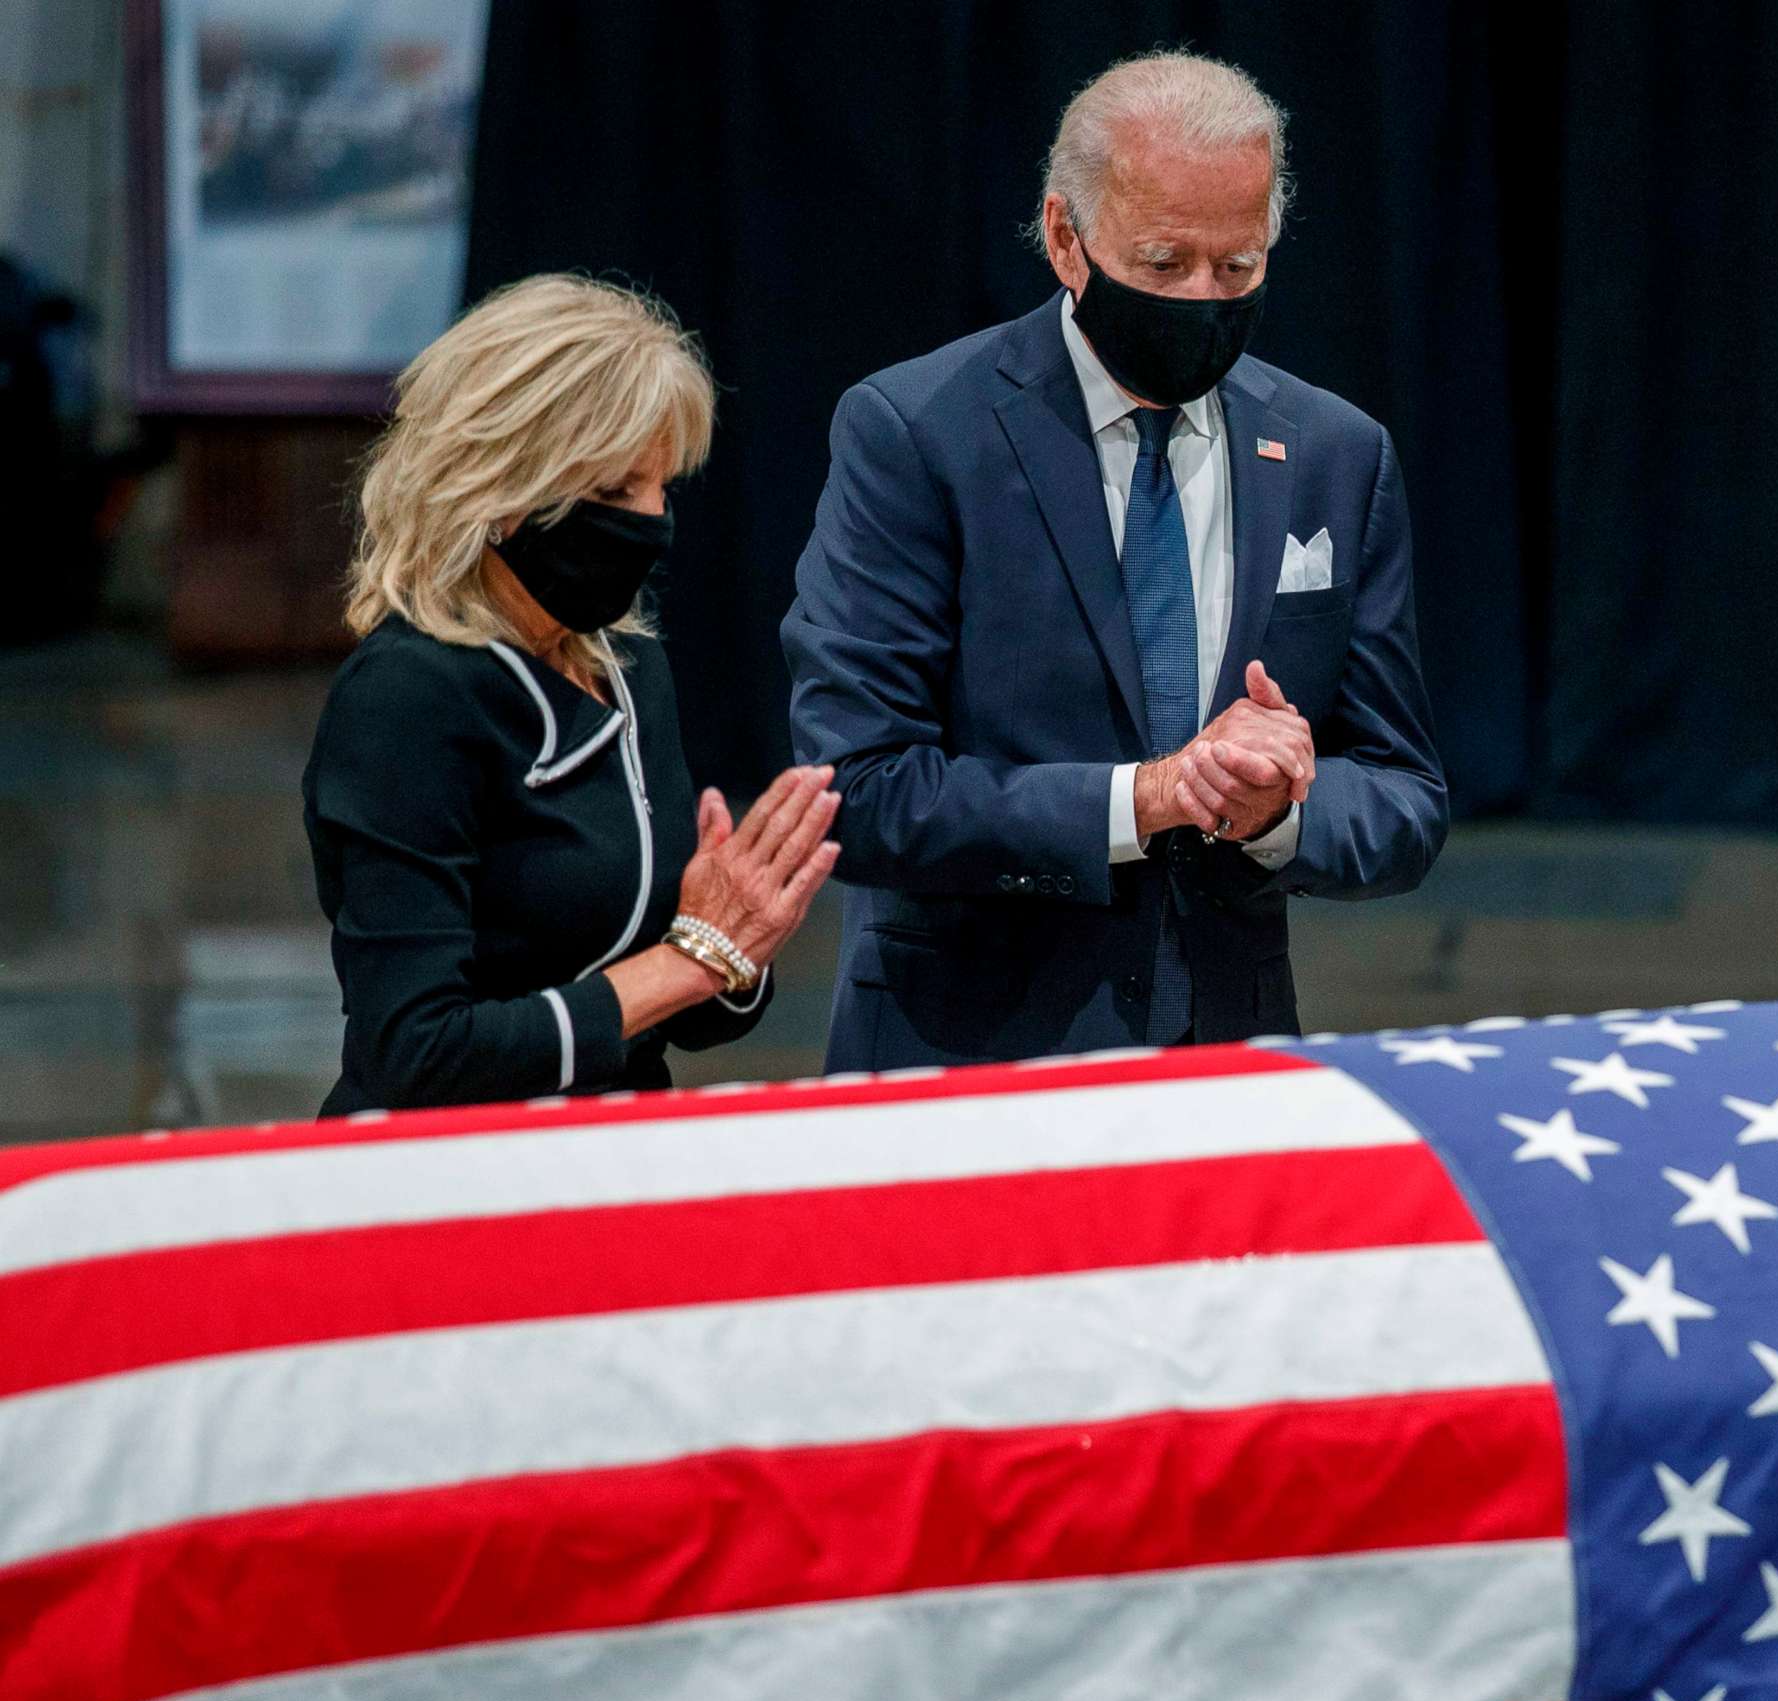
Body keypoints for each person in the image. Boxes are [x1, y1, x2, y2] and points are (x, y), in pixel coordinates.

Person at [784, 52, 1448, 1070]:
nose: (1202, 297)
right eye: (1163, 263)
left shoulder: (1333, 453)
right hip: (964, 1065)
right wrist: (1143, 800)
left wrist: (1277, 814)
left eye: (1238, 268)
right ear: (1065, 238)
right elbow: (861, 791)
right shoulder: (918, 434)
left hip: (1225, 1064)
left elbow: (1403, 796)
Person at [305, 275, 838, 1115]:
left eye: (661, 487)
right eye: (614, 492)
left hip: (609, 1159)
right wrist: (686, 960)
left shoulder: (630, 668)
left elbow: (678, 1019)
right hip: (445, 1187)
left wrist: (734, 943)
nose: (652, 523)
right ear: (501, 491)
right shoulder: (407, 699)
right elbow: (414, 1052)